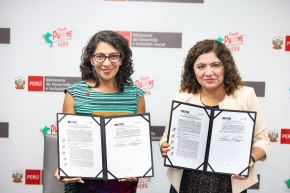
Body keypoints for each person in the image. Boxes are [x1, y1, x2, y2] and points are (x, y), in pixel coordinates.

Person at [160, 39, 269, 193]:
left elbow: (262, 140)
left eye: (215, 65)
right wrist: (164, 146)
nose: (208, 72)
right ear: (193, 71)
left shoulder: (246, 95)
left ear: (226, 67)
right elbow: (167, 136)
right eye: (201, 66)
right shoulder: (183, 95)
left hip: (230, 182)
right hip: (187, 181)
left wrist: (249, 159)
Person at [54, 30, 145, 193]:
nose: (107, 63)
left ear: (122, 59)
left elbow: (137, 144)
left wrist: (138, 167)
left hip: (121, 182)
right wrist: (64, 167)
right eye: (100, 56)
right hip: (82, 182)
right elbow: (68, 143)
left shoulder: (136, 95)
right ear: (91, 59)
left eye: (114, 56)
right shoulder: (74, 93)